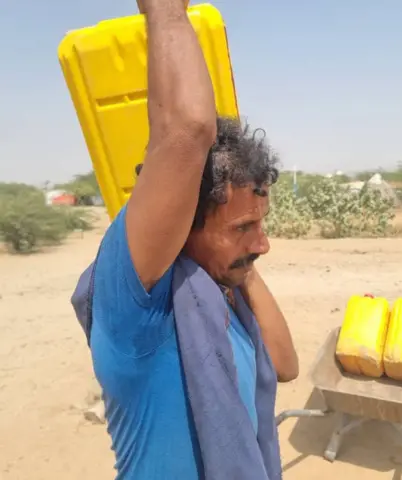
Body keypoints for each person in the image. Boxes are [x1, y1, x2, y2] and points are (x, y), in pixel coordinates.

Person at [74, 0, 298, 478]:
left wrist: (244, 258)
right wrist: (165, 10)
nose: (263, 244)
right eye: (242, 228)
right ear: (179, 228)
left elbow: (283, 365)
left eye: (261, 224)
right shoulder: (136, 305)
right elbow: (187, 130)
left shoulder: (221, 298)